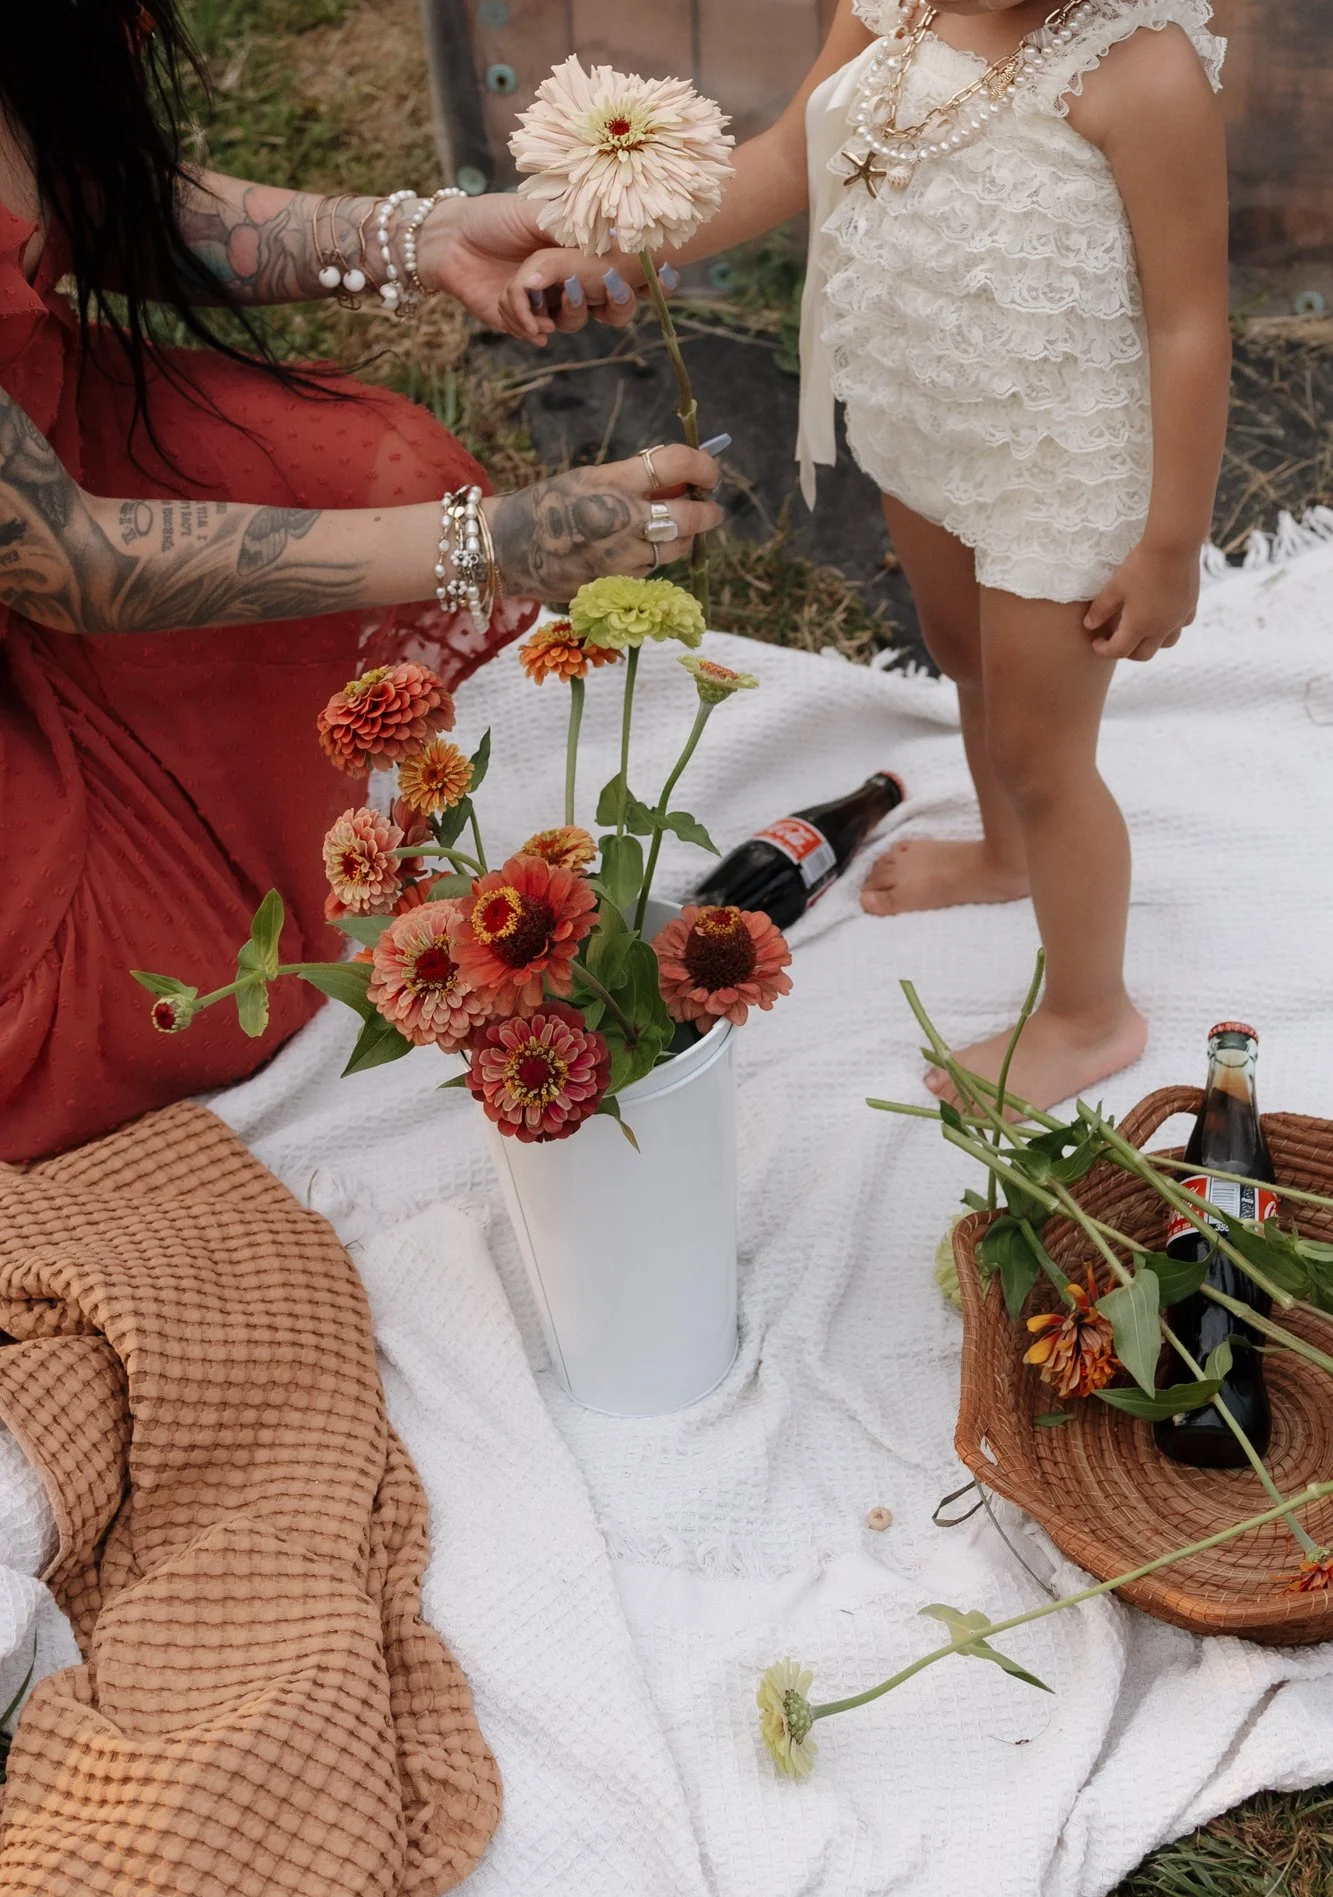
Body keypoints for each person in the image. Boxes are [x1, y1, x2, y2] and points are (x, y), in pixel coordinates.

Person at [0, 0, 722, 1164]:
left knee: (363, 468)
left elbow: (89, 194)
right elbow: (76, 562)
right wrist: (494, 543)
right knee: (162, 994)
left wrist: (420, 238)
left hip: (46, 459)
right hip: (55, 555)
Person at [503, 0, 1231, 1110]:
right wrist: (620, 244)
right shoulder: (890, 6)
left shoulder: (1140, 69)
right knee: (960, 652)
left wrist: (1170, 544)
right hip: (922, 409)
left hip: (1058, 455)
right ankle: (1004, 854)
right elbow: (790, 151)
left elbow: (1188, 323)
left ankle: (1090, 1015)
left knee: (1042, 748)